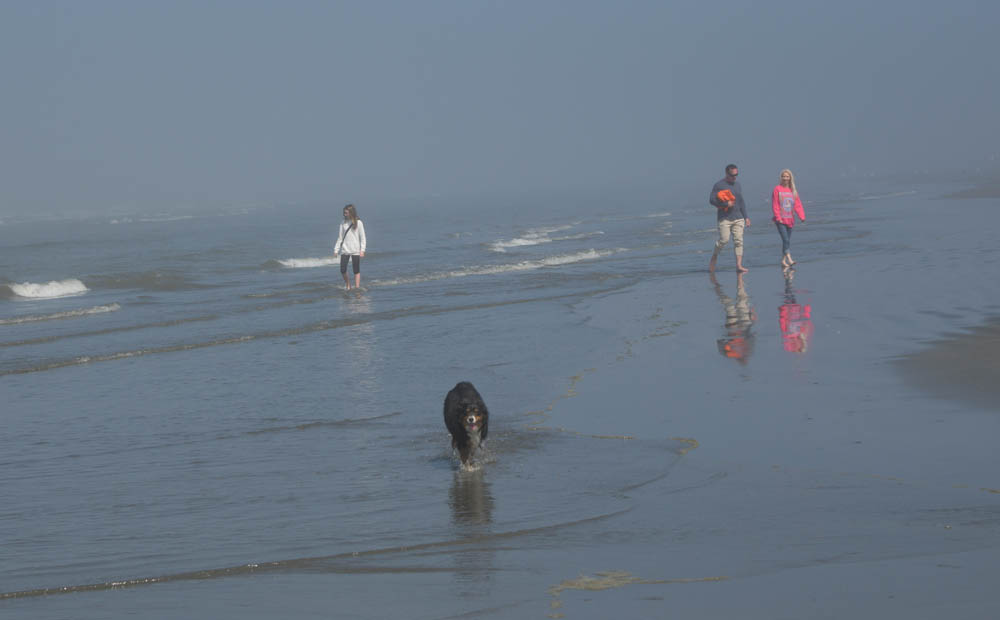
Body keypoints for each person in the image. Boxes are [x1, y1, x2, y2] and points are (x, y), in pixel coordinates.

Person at [709, 164, 751, 273]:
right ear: (726, 173)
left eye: (736, 175)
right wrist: (725, 204)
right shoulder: (719, 185)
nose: (734, 177)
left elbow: (741, 202)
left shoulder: (738, 185)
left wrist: (746, 217)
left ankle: (739, 265)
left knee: (739, 241)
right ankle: (714, 256)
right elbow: (712, 200)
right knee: (724, 240)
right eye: (732, 175)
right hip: (725, 218)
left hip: (738, 217)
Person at [771, 169, 806, 267]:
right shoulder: (777, 189)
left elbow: (798, 205)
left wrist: (802, 216)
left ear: (790, 178)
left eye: (787, 176)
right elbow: (775, 204)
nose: (785, 178)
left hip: (790, 219)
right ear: (781, 178)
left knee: (786, 241)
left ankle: (783, 261)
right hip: (780, 220)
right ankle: (790, 259)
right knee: (786, 240)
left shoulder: (793, 190)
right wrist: (778, 217)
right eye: (783, 176)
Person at [334, 203, 367, 290]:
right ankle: (348, 285)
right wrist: (336, 249)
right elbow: (340, 237)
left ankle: (357, 287)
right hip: (345, 250)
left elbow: (363, 237)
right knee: (342, 270)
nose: (344, 214)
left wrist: (362, 250)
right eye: (344, 213)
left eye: (346, 213)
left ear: (351, 213)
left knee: (356, 270)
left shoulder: (359, 222)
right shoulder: (343, 223)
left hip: (355, 250)